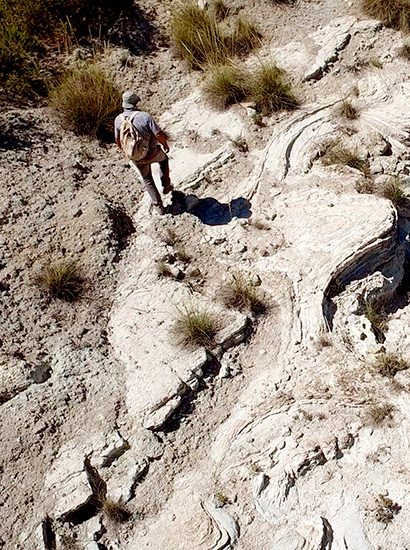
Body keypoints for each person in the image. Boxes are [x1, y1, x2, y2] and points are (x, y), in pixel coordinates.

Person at [114, 91, 173, 214]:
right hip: (152, 153)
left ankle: (159, 207)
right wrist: (165, 144)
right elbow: (158, 134)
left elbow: (118, 140)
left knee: (147, 180)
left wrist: (128, 152)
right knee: (164, 160)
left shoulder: (117, 120)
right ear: (135, 103)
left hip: (136, 158)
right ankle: (166, 185)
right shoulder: (144, 116)